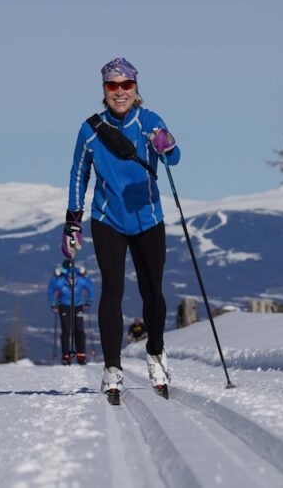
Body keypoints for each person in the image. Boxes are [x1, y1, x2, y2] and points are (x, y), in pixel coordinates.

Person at [62, 57, 180, 403]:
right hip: (107, 219)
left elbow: (173, 159)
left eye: (125, 86)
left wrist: (167, 145)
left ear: (135, 89)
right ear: (104, 90)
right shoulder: (91, 130)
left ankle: (156, 353)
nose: (119, 93)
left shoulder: (150, 121)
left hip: (148, 219)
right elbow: (78, 174)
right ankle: (112, 369)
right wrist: (73, 219)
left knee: (152, 293)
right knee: (111, 290)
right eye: (112, 87)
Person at [48, 261, 94, 365]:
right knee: (66, 330)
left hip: (77, 306)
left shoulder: (81, 280)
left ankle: (81, 355)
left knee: (79, 329)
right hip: (64, 306)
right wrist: (53, 304)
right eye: (69, 279)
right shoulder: (60, 281)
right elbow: (51, 290)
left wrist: (88, 303)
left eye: (73, 279)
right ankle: (66, 356)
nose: (71, 281)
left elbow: (90, 288)